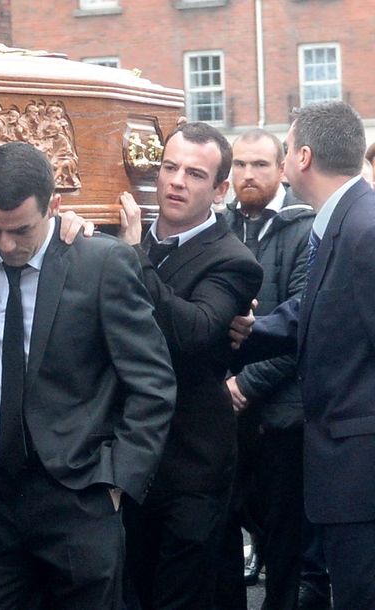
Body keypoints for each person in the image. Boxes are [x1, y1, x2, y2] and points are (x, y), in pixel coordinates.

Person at [0, 141, 177, 609]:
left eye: (22, 231)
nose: (7, 245)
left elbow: (152, 383)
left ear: (54, 206)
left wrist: (115, 480)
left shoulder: (100, 264)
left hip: (80, 494)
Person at [231, 101, 375, 610]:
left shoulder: (365, 228)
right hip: (345, 471)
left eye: (286, 149)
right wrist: (248, 330)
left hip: (361, 469)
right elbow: (312, 310)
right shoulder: (342, 219)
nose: (285, 157)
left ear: (303, 158)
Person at [117, 122, 263, 610]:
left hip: (191, 462)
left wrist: (133, 257)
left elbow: (194, 334)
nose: (176, 181)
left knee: (181, 597)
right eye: (169, 167)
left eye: (195, 174)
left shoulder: (233, 260)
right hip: (125, 454)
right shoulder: (116, 234)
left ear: (220, 190)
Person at [215, 129, 315, 610]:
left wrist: (245, 385)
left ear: (281, 169)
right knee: (228, 528)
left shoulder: (305, 228)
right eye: (238, 165)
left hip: (282, 415)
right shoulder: (220, 226)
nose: (247, 174)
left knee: (283, 541)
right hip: (226, 413)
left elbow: (303, 322)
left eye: (258, 164)